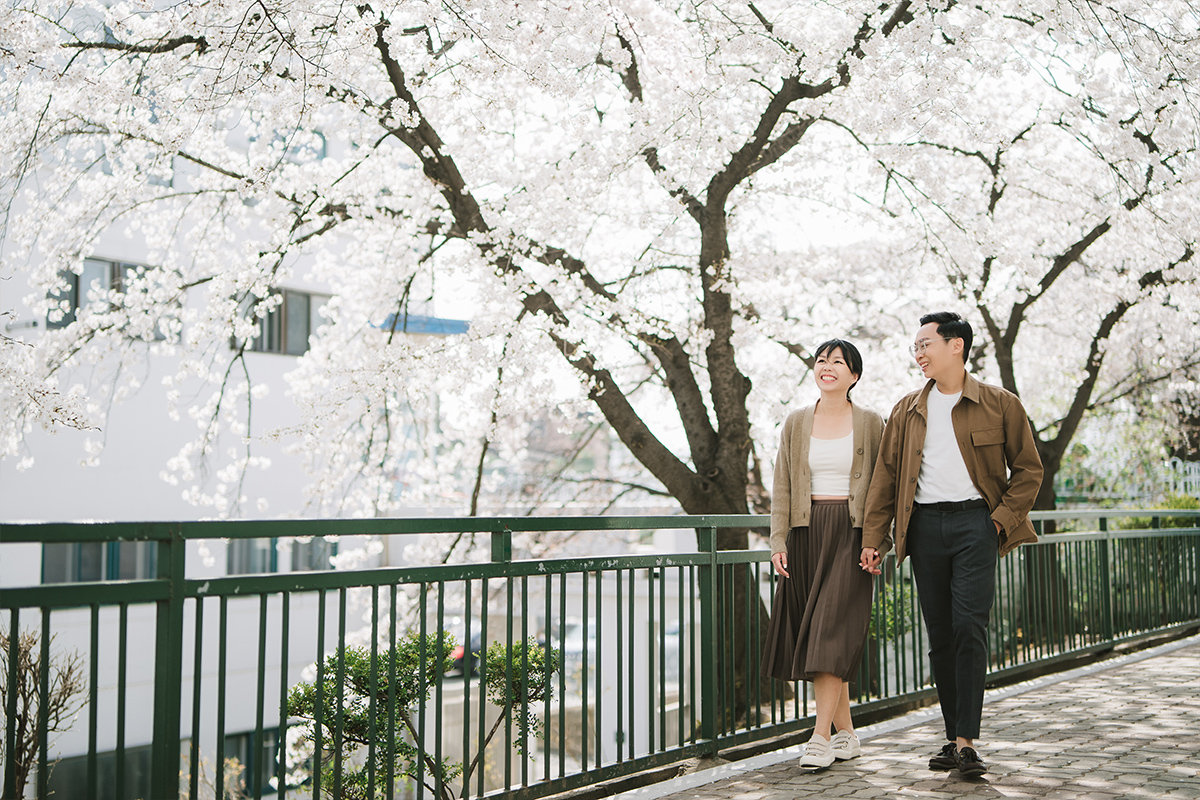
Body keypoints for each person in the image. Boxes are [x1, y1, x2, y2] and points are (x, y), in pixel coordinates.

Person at [860, 311, 1043, 777]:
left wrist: (999, 522)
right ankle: (950, 737)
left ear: (956, 345)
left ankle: (967, 742)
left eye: (925, 344)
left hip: (975, 526)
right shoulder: (906, 410)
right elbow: (885, 478)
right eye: (915, 347)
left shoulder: (1000, 404)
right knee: (940, 634)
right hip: (923, 531)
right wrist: (874, 538)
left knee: (969, 628)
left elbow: (1029, 470)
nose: (918, 353)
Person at [761, 338, 885, 769]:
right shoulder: (796, 422)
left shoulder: (871, 422)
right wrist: (779, 541)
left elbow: (882, 487)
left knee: (830, 631)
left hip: (851, 536)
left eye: (838, 361)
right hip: (806, 533)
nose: (827, 366)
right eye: (821, 360)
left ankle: (819, 738)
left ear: (854, 375)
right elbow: (782, 485)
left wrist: (877, 539)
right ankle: (847, 734)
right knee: (815, 630)